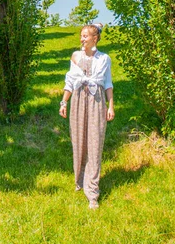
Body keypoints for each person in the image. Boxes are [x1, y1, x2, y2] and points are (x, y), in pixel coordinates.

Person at [59, 23, 114, 209]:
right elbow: (70, 81)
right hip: (78, 100)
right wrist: (63, 102)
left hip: (97, 101)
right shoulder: (75, 56)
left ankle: (92, 192)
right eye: (81, 36)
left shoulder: (104, 59)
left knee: (95, 143)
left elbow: (107, 83)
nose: (82, 39)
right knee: (79, 141)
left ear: (95, 38)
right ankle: (80, 180)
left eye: (85, 36)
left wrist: (110, 106)